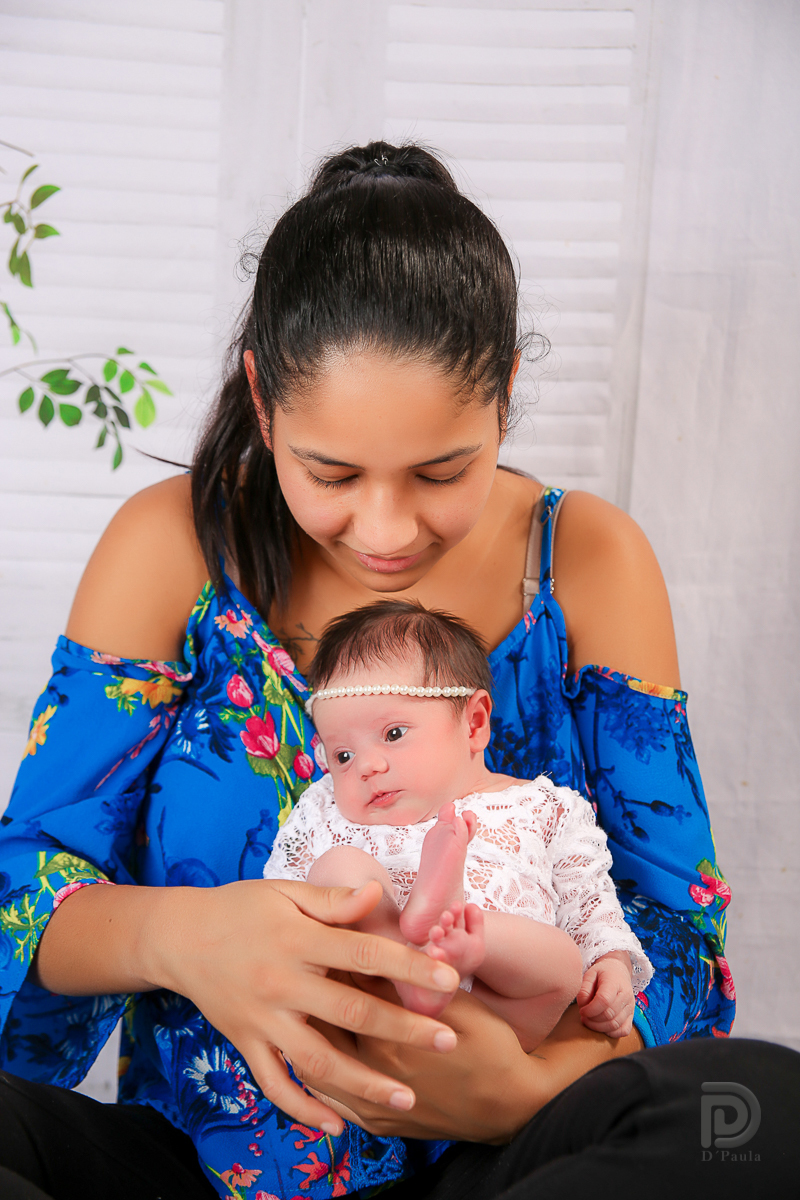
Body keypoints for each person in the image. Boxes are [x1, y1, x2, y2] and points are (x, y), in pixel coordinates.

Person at [0, 140, 795, 1200]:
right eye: (329, 473)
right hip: (202, 1170)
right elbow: (25, 886)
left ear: (504, 395)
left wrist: (518, 1089)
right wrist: (186, 939)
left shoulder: (587, 563)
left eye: (440, 471)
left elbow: (678, 936)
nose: (383, 531)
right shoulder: (172, 546)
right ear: (263, 401)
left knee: (765, 1113)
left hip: (505, 1166)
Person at [265, 599, 653, 1049]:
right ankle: (406, 961)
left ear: (474, 723)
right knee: (340, 868)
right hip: (371, 1004)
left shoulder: (545, 806)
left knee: (562, 960)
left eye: (393, 734)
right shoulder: (325, 810)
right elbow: (275, 902)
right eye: (343, 755)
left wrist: (611, 964)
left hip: (505, 1017)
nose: (366, 766)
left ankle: (454, 935)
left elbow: (588, 902)